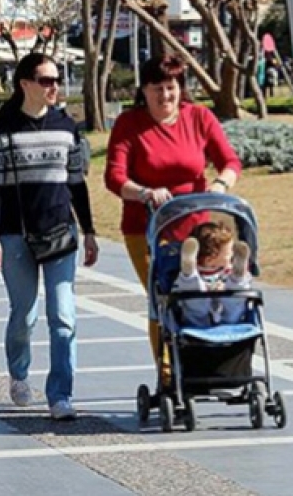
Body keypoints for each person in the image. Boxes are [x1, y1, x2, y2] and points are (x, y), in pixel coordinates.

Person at [103, 54, 241, 385]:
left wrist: (220, 183)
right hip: (148, 227)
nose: (165, 96)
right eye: (157, 89)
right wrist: (145, 192)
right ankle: (168, 374)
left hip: (196, 229)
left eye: (171, 87)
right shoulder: (129, 124)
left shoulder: (199, 118)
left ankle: (203, 362)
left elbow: (230, 161)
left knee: (200, 294)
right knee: (163, 297)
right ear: (144, 90)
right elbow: (114, 177)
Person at [0, 52, 99, 421]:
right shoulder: (2, 129)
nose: (54, 87)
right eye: (46, 80)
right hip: (16, 235)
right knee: (25, 315)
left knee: (63, 315)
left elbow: (77, 184)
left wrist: (90, 231)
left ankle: (60, 395)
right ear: (25, 85)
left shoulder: (67, 127)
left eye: (56, 80)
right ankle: (18, 374)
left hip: (60, 233)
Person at [174, 222, 251, 293]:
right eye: (229, 252)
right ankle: (237, 278)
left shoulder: (227, 269)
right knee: (235, 290)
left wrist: (223, 288)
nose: (232, 254)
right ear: (209, 260)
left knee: (189, 285)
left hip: (202, 303)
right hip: (220, 302)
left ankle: (188, 276)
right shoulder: (226, 270)